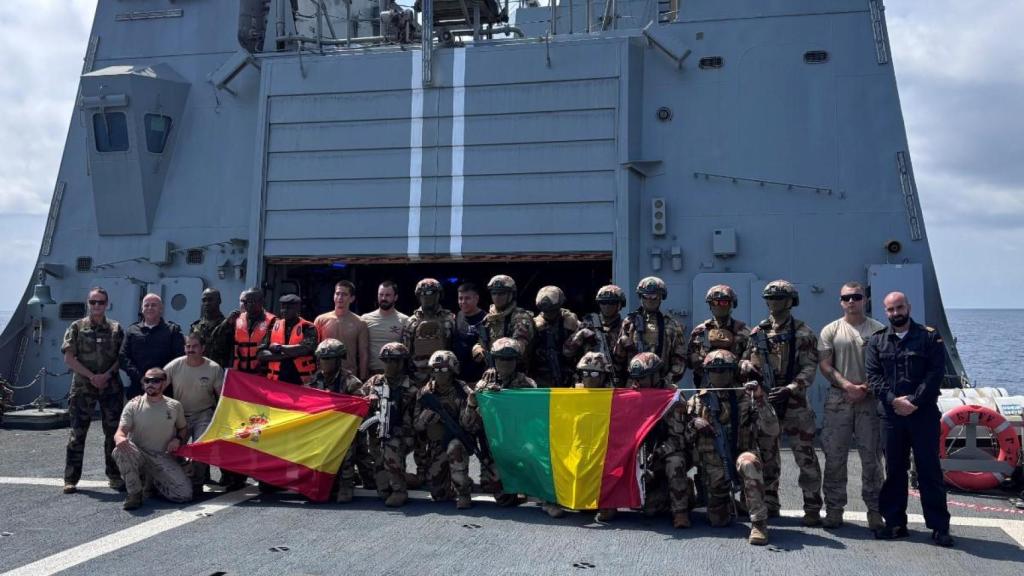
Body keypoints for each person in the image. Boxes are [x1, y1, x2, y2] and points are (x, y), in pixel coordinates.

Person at [866, 292, 953, 547]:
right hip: (891, 416)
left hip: (923, 414)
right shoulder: (877, 341)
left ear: (909, 306)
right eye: (891, 309)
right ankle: (895, 524)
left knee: (929, 470)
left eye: (899, 307)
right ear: (886, 312)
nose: (896, 313)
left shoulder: (929, 337)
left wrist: (913, 401)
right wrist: (895, 401)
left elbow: (935, 373)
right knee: (894, 470)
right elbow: (873, 377)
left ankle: (939, 527)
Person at [741, 280, 823, 526]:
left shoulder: (803, 332)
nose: (774, 303)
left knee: (805, 456)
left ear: (790, 302)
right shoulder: (758, 333)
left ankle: (811, 507)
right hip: (766, 403)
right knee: (768, 456)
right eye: (771, 298)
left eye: (780, 298)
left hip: (795, 404)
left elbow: (810, 367)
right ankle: (770, 503)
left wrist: (791, 388)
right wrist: (746, 367)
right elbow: (745, 360)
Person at [688, 350, 780, 545]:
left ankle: (759, 524)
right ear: (707, 373)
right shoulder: (697, 400)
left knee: (749, 462)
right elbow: (682, 437)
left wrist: (761, 399)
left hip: (740, 457)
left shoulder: (746, 397)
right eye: (714, 370)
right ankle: (729, 503)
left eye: (724, 370)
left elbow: (772, 428)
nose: (719, 374)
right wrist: (693, 423)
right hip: (713, 469)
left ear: (732, 373)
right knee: (718, 521)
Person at [818, 282, 886, 530]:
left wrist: (864, 388)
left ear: (865, 300)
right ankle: (834, 510)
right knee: (835, 458)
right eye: (846, 297)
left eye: (856, 297)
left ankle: (875, 511)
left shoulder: (879, 330)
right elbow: (825, 365)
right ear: (840, 301)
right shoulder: (830, 331)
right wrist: (848, 386)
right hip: (839, 400)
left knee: (872, 459)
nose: (851, 301)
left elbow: (884, 366)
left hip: (869, 401)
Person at [62, 287, 126, 494]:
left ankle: (114, 476)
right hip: (83, 388)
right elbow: (69, 358)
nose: (96, 306)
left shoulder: (116, 328)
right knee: (78, 433)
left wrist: (105, 376)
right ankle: (71, 479)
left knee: (113, 434)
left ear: (106, 304)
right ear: (88, 303)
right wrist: (92, 377)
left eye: (100, 302)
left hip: (110, 387)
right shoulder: (77, 327)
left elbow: (121, 357)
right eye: (93, 302)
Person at [464, 337, 536, 508]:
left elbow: (535, 418)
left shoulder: (527, 385)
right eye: (501, 359)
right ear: (494, 360)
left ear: (517, 361)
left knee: (534, 481)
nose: (505, 363)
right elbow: (469, 425)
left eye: (510, 359)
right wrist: (472, 404)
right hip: (495, 447)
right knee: (503, 499)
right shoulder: (484, 385)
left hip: (520, 444)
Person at [624, 352, 691, 529]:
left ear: (656, 375)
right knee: (649, 511)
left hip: (666, 452)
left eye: (643, 378)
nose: (637, 383)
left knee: (675, 461)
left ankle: (680, 512)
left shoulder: (672, 397)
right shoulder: (631, 394)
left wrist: (657, 454)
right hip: (640, 454)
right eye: (635, 378)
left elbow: (678, 440)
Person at [111, 367, 192, 510]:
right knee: (120, 450)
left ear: (164, 382)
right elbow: (120, 432)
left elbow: (183, 428)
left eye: (155, 381)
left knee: (184, 495)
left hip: (162, 457)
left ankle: (152, 483)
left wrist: (178, 439)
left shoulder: (174, 406)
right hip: (139, 454)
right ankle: (135, 494)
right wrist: (120, 439)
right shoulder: (133, 405)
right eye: (147, 380)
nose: (150, 384)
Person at [164, 333, 224, 494]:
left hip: (203, 414)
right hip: (180, 415)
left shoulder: (214, 368)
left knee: (201, 448)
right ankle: (182, 474)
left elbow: (222, 396)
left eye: (195, 346)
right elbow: (157, 385)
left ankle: (197, 484)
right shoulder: (175, 365)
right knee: (173, 448)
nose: (191, 350)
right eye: (188, 346)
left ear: (203, 348)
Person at [414, 351, 475, 509]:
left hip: (457, 439)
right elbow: (417, 426)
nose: (438, 374)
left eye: (443, 370)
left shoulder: (462, 391)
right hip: (436, 443)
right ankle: (455, 483)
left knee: (455, 448)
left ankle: (463, 492)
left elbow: (468, 424)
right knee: (437, 493)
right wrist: (425, 419)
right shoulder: (425, 393)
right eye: (435, 370)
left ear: (452, 370)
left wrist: (470, 405)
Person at [308, 338, 366, 503]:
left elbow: (359, 407)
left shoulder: (350, 381)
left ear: (338, 360)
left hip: (344, 430)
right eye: (322, 358)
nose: (324, 362)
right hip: (321, 429)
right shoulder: (314, 380)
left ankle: (346, 483)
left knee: (348, 447)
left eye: (328, 359)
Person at [361, 342, 417, 507]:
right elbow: (356, 401)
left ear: (402, 363)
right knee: (382, 490)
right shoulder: (374, 382)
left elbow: (415, 420)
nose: (389, 365)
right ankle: (403, 479)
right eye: (386, 361)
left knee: (390, 448)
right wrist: (367, 402)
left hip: (402, 436)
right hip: (377, 434)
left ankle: (400, 490)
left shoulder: (411, 388)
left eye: (393, 360)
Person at [614, 277, 687, 385]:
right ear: (641, 297)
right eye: (646, 296)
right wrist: (622, 344)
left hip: (660, 385)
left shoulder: (672, 325)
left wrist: (666, 381)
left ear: (661, 298)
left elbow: (680, 359)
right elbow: (618, 359)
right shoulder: (629, 323)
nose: (650, 300)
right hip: (633, 384)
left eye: (654, 296)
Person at [120, 293, 184, 398]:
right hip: (138, 387)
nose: (150, 308)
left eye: (154, 305)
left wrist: (160, 380)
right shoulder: (132, 331)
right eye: (146, 305)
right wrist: (142, 378)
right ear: (142, 309)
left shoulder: (173, 331)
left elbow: (179, 358)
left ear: (161, 309)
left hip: (164, 389)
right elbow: (123, 357)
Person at [687, 285, 750, 389]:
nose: (719, 306)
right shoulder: (700, 331)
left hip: (736, 388)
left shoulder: (744, 331)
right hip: (706, 386)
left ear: (732, 304)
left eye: (724, 302)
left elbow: (750, 361)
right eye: (714, 302)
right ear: (710, 305)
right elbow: (689, 362)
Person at [564, 284, 626, 387]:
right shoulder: (588, 324)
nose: (607, 306)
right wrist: (580, 335)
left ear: (620, 305)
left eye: (611, 302)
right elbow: (567, 352)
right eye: (603, 302)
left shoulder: (625, 327)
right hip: (588, 380)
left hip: (614, 381)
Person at [471, 275, 535, 372]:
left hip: (516, 373)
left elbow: (520, 348)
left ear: (511, 295)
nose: (497, 297)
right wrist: (478, 349)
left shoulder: (520, 318)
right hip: (491, 372)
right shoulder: (488, 318)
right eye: (494, 293)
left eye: (501, 294)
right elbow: (482, 342)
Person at [403, 278, 456, 386]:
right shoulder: (411, 322)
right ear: (418, 296)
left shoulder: (449, 319)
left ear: (439, 295)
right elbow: (406, 353)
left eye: (431, 293)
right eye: (423, 293)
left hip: (444, 376)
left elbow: (455, 348)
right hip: (418, 378)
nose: (427, 296)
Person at [314, 280, 370, 381]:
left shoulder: (360, 323)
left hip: (349, 377)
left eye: (344, 294)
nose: (340, 298)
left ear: (352, 298)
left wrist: (363, 378)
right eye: (337, 294)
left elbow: (363, 353)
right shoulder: (320, 320)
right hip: (324, 376)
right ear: (333, 296)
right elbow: (314, 349)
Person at [258, 294, 318, 385]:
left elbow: (305, 349)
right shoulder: (272, 326)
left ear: (297, 309)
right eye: (282, 307)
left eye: (288, 308)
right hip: (276, 380)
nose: (284, 311)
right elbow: (261, 354)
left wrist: (279, 348)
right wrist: (289, 355)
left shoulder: (308, 327)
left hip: (301, 381)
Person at [530, 286, 580, 388]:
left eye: (552, 310)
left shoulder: (571, 322)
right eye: (546, 311)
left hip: (568, 373)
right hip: (541, 375)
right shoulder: (533, 325)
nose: (549, 314)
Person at [361, 281, 409, 375]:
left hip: (395, 374)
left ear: (395, 297)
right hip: (371, 374)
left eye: (387, 295)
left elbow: (407, 351)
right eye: (381, 294)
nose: (383, 298)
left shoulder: (405, 320)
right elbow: (361, 350)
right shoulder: (365, 319)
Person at [232, 289, 276, 376]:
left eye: (252, 301)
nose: (248, 304)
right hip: (240, 373)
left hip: (263, 374)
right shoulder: (236, 319)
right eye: (246, 301)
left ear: (262, 302)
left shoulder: (273, 321)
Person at [189, 288, 234, 369]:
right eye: (204, 300)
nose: (206, 303)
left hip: (220, 372)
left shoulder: (229, 326)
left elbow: (233, 352)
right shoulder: (195, 326)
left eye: (210, 300)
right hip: (199, 371)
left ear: (219, 301)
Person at [452, 282, 487, 384]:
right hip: (458, 377)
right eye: (460, 298)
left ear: (476, 298)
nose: (463, 302)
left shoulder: (486, 319)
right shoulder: (458, 316)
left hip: (478, 377)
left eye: (467, 298)